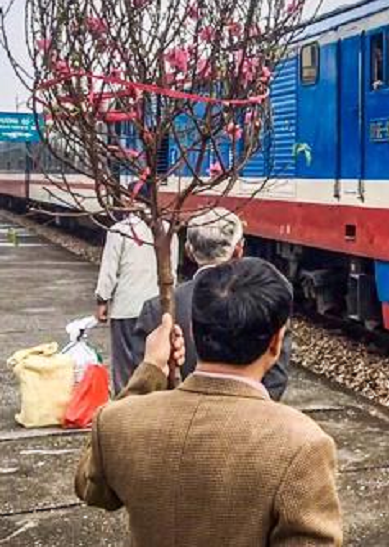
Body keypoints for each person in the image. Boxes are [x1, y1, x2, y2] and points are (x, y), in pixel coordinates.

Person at [75, 257, 342, 547]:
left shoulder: (118, 423)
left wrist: (150, 369)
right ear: (276, 343)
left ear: (191, 329)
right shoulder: (302, 445)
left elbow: (90, 489)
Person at [133, 207, 291, 400]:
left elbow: (141, 380)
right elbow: (275, 380)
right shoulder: (267, 303)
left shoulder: (156, 309)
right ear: (239, 249)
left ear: (189, 250)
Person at [95, 210, 178, 393]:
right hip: (157, 309)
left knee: (124, 369)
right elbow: (172, 273)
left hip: (126, 308)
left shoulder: (119, 230)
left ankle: (124, 409)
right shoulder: (168, 230)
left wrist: (102, 299)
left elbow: (109, 270)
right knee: (153, 365)